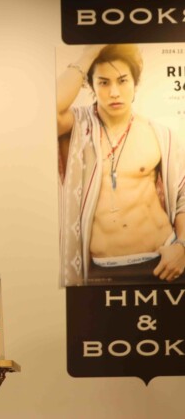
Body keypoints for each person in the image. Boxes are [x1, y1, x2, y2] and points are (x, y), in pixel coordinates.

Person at [57, 44, 185, 286]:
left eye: (123, 81)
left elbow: (183, 197)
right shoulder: (77, 127)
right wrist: (89, 54)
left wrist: (182, 246)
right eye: (104, 82)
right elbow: (48, 110)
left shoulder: (158, 134)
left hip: (163, 261)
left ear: (135, 84)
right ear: (91, 85)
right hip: (102, 269)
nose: (114, 92)